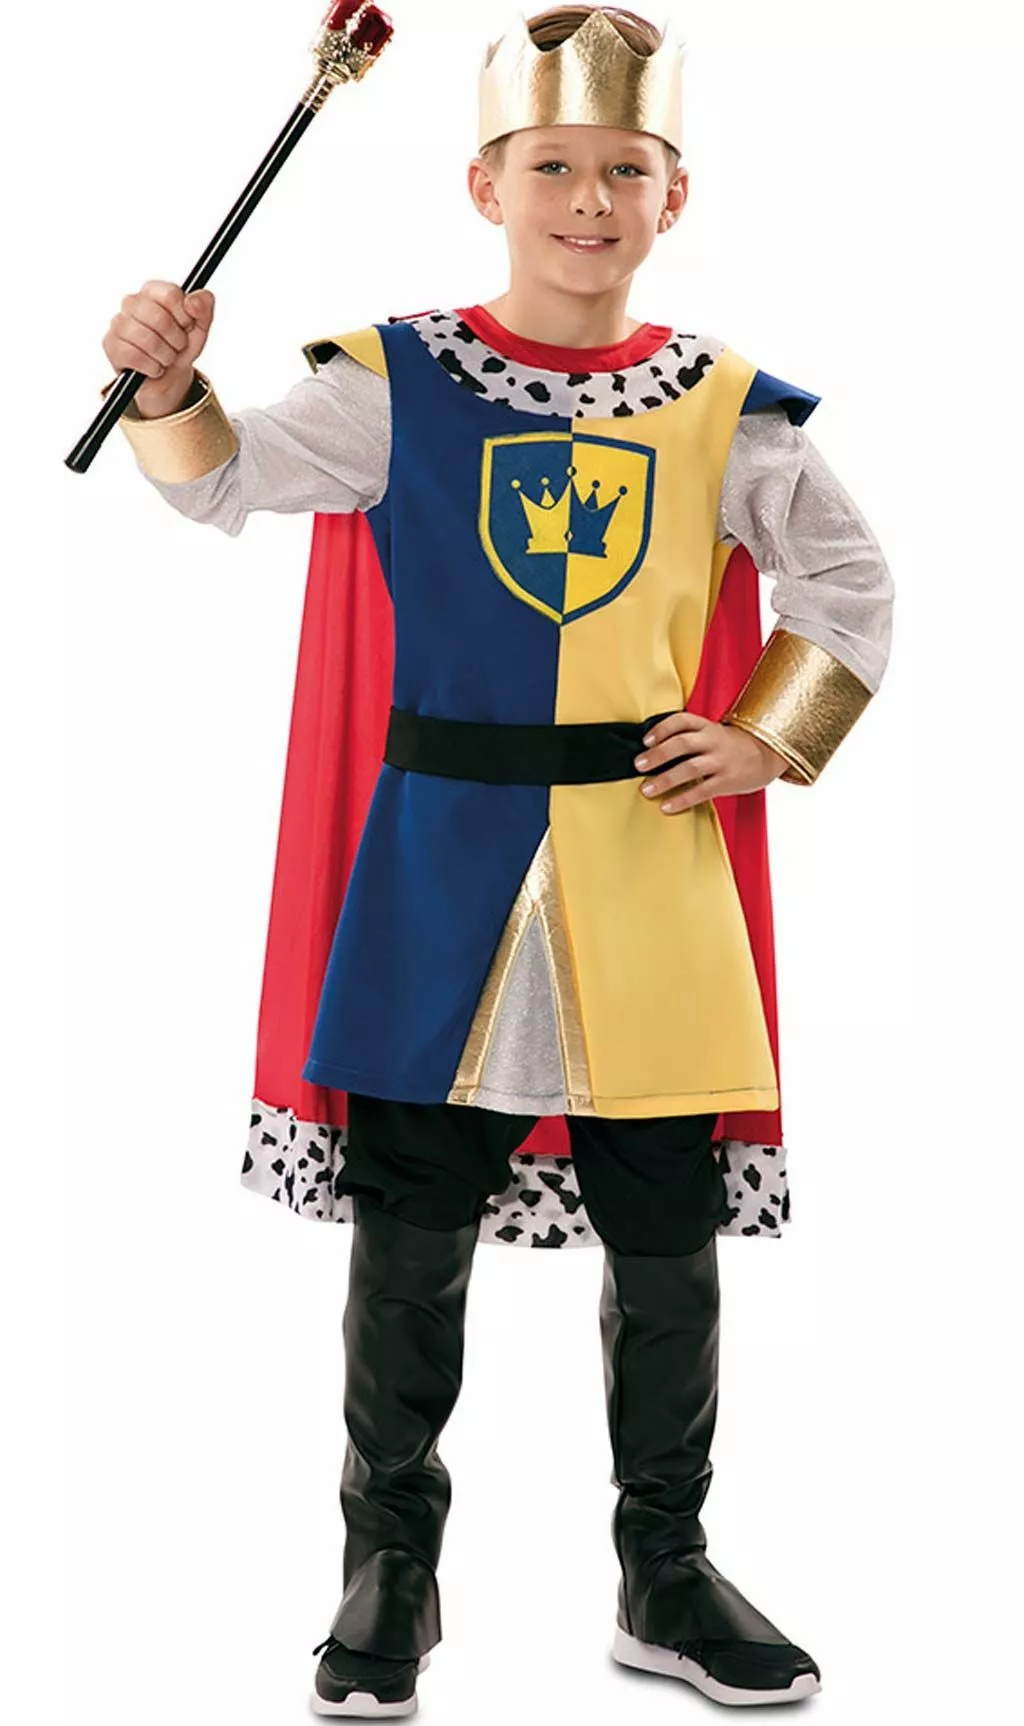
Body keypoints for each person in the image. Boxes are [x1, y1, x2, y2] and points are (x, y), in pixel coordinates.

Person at [98, 5, 893, 1713]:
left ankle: (667, 1568)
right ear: (488, 185)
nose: (588, 200)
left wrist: (767, 732)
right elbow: (225, 481)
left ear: (674, 193)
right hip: (437, 871)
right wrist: (166, 388)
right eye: (553, 168)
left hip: (651, 873)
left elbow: (849, 583)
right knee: (408, 1236)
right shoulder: (391, 383)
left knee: (665, 1240)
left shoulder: (727, 408)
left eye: (625, 170)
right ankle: (389, 1565)